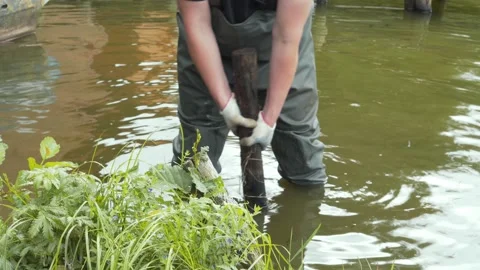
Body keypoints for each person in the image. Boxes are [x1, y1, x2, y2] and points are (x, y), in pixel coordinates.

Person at [172, 0, 327, 187]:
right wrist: (226, 104)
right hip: (204, 38)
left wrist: (269, 119)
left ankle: (305, 208)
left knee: (300, 150)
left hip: (286, 41)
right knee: (194, 157)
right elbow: (197, 23)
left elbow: (286, 39)